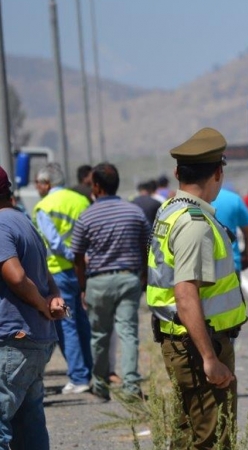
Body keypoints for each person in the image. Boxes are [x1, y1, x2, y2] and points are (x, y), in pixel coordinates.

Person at [146, 127, 247, 449]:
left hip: (180, 340)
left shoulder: (170, 211)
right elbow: (186, 293)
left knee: (189, 436)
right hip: (196, 343)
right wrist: (209, 358)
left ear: (177, 172)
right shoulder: (194, 224)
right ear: (218, 172)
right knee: (213, 439)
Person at [0, 165, 67, 449]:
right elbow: (45, 272)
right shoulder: (22, 220)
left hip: (12, 340)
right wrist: (53, 296)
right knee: (30, 426)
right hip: (35, 338)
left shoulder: (0, 225)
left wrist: (43, 304)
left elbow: (15, 276)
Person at [71, 163, 150, 400]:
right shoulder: (134, 212)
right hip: (129, 278)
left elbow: (77, 256)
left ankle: (100, 384)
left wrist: (83, 286)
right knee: (128, 332)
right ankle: (131, 386)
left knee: (100, 335)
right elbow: (147, 246)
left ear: (96, 186)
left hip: (98, 281)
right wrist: (143, 276)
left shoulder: (86, 216)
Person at [32, 163, 93, 395]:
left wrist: (70, 257)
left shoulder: (43, 206)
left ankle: (78, 377)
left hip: (59, 271)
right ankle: (90, 370)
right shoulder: (80, 200)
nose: (37, 187)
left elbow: (54, 243)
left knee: (66, 324)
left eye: (38, 183)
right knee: (82, 322)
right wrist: (82, 259)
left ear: (47, 184)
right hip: (82, 270)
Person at [212, 184, 248, 278]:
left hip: (196, 270)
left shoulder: (183, 201)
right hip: (230, 267)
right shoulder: (233, 199)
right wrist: (247, 255)